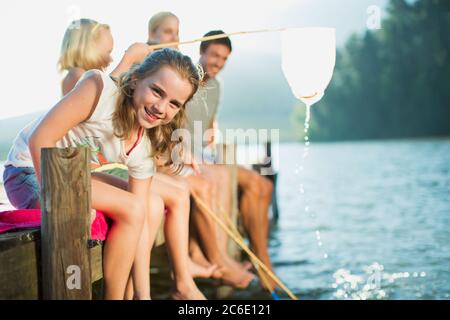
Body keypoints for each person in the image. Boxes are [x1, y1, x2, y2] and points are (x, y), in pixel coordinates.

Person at [2, 48, 201, 299]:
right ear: (136, 79)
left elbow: (142, 211)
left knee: (149, 203)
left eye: (174, 103)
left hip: (73, 174)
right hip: (29, 171)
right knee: (132, 207)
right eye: (157, 91)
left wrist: (144, 293)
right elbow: (40, 139)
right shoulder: (99, 90)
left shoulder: (144, 145)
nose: (161, 107)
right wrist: (57, 203)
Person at [185, 30, 277, 289]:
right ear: (201, 51)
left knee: (263, 186)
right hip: (186, 157)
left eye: (224, 59)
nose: (219, 63)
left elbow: (210, 125)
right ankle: (226, 261)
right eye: (214, 55)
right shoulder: (183, 77)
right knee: (222, 178)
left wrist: (211, 137)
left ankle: (261, 258)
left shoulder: (217, 85)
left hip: (207, 155)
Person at [58, 19, 114, 96]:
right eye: (108, 52)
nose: (111, 60)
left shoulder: (78, 75)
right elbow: (104, 98)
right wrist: (126, 62)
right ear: (89, 49)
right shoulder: (77, 75)